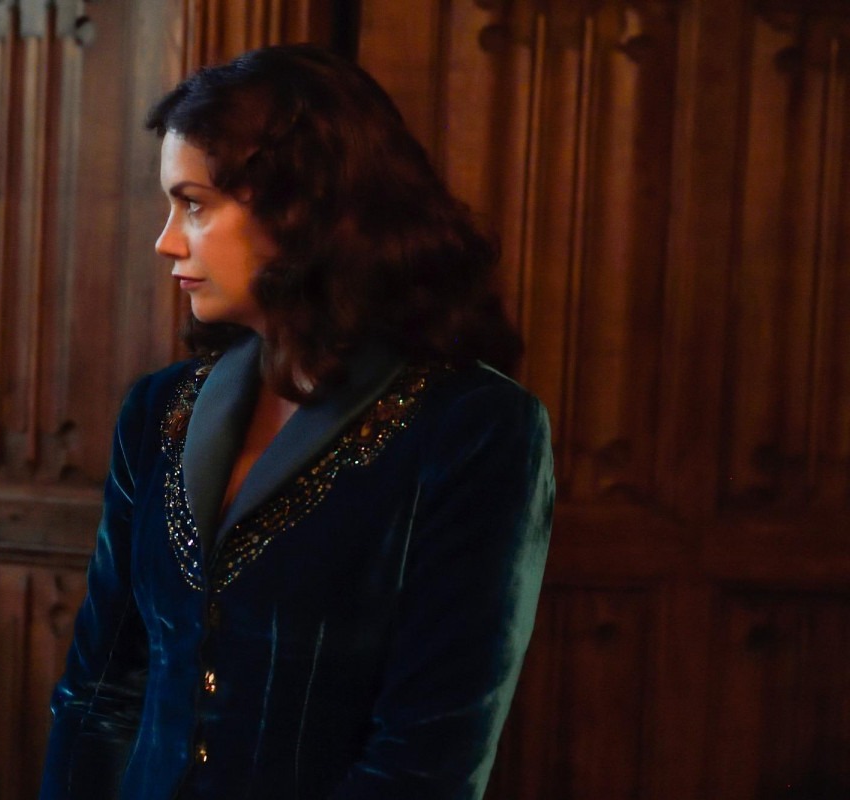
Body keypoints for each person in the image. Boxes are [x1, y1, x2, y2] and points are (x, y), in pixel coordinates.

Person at [40, 44, 554, 800]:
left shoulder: (474, 428)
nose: (167, 240)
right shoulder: (158, 410)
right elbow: (101, 692)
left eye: (194, 204)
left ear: (301, 207)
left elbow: (426, 760)